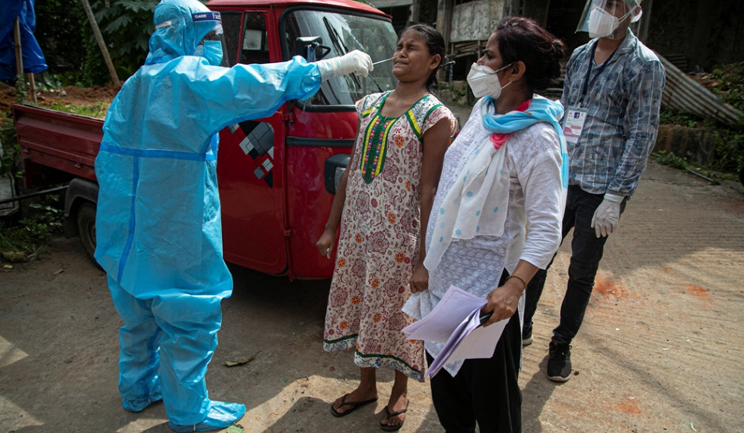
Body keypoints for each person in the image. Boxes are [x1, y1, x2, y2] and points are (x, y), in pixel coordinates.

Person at [93, 0, 372, 431]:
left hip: (125, 225)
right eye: (209, 37)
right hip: (173, 224)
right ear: (185, 34)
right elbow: (253, 83)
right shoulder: (189, 80)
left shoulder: (134, 84)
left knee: (138, 317)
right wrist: (331, 67)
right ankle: (189, 413)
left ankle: (137, 388)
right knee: (189, 318)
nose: (215, 47)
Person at [403, 16, 567, 433]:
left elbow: (548, 228)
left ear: (515, 70)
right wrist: (426, 259)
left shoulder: (537, 139)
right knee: (448, 394)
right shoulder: (483, 111)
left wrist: (514, 288)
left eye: (488, 56)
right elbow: (450, 187)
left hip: (488, 296)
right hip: (445, 284)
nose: (478, 63)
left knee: (493, 406)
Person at [316, 23, 456, 432]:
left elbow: (430, 190)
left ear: (434, 61)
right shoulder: (369, 105)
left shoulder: (435, 116)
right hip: (359, 232)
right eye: (399, 46)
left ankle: (399, 391)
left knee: (398, 314)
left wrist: (425, 258)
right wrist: (331, 227)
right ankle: (365, 386)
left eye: (412, 48)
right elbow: (352, 170)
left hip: (399, 237)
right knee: (363, 304)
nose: (400, 53)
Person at [522, 0, 666, 382]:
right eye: (600, 2)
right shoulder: (582, 55)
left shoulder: (644, 65)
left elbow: (642, 134)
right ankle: (523, 323)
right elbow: (568, 109)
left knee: (582, 270)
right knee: (538, 253)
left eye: (614, 3)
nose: (603, 9)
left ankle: (561, 343)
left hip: (601, 188)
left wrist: (616, 196)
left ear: (633, 11)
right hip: (563, 176)